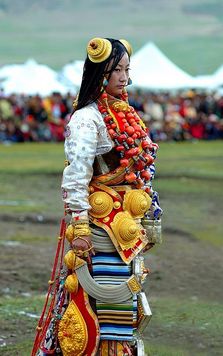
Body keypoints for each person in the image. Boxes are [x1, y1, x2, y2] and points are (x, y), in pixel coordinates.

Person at [32, 37, 162, 356]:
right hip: (99, 227)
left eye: (126, 69)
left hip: (127, 223)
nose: (123, 77)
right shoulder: (86, 118)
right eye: (116, 69)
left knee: (125, 301)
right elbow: (76, 175)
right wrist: (79, 227)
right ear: (100, 72)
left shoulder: (127, 113)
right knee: (108, 298)